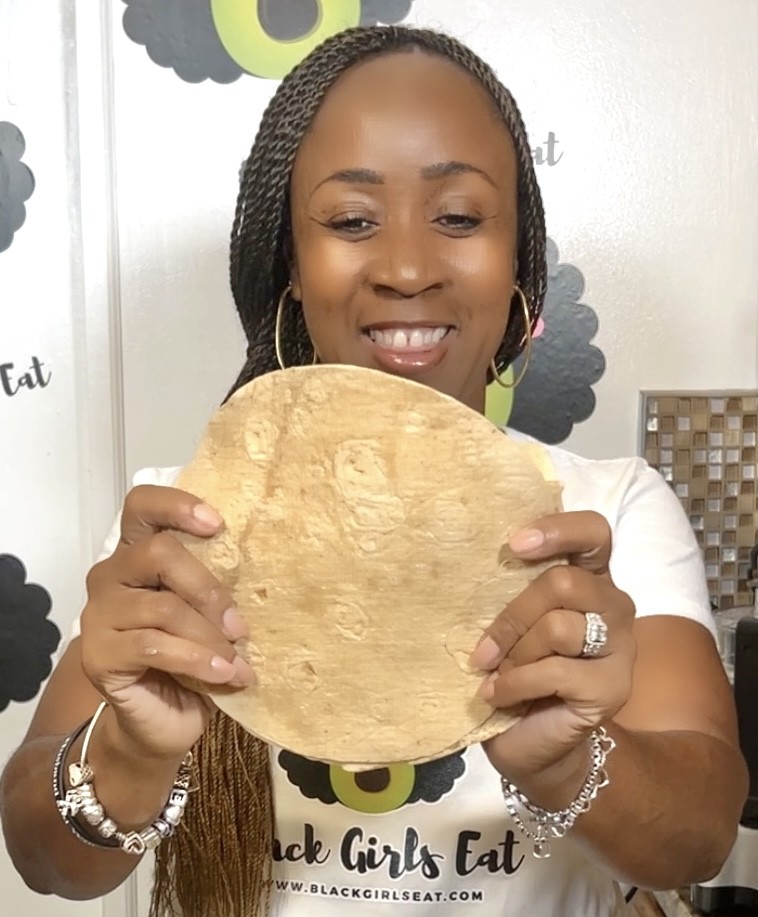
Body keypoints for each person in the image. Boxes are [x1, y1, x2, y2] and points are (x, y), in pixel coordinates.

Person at [0, 24, 748, 917]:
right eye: (352, 221)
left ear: (519, 262)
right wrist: (130, 748)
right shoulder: (183, 525)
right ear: (291, 264)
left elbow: (701, 837)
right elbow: (45, 863)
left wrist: (568, 759)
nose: (403, 266)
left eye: (460, 217)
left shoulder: (606, 512)